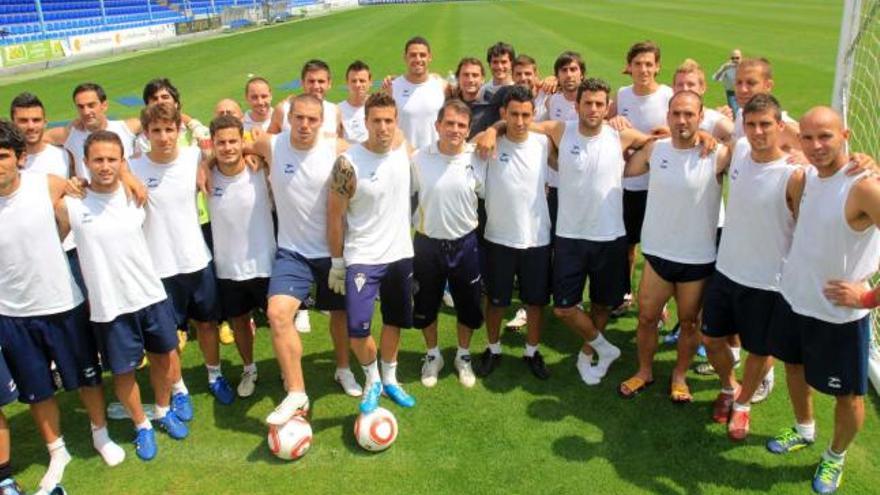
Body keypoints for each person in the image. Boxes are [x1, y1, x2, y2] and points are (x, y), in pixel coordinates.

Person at [480, 78, 656, 385]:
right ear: (577, 106)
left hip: (610, 235)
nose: (593, 109)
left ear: (608, 106)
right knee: (563, 308)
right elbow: (515, 121)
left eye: (600, 104)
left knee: (602, 303)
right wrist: (492, 129)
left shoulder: (621, 134)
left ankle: (588, 353)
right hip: (569, 235)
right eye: (587, 103)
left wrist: (703, 134)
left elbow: (657, 140)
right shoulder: (559, 130)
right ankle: (605, 348)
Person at [0, 120, 124, 492]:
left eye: (3, 156)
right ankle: (57, 450)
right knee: (37, 390)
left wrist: (129, 179)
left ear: (20, 158)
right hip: (12, 314)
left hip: (63, 304)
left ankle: (100, 433)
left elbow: (89, 195)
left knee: (87, 377)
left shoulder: (47, 184)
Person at [56, 131, 187, 461]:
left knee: (163, 357)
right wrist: (65, 186)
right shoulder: (71, 204)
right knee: (124, 372)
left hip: (150, 294)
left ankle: (161, 409)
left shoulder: (135, 194)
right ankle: (141, 425)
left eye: (112, 159)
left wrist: (130, 177)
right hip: (109, 307)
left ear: (122, 162)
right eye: (97, 160)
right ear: (85, 163)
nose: (104, 166)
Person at [768, 107, 879, 494]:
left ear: (845, 135)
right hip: (795, 298)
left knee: (847, 395)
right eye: (809, 137)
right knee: (794, 368)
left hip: (839, 315)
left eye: (826, 137)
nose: (816, 146)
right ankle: (803, 428)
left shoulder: (865, 186)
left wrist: (867, 296)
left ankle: (835, 455)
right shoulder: (806, 178)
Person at [248, 94, 362, 425]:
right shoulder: (270, 144)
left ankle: (343, 370)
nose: (305, 125)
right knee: (277, 313)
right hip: (292, 252)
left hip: (332, 251)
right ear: (288, 117)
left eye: (313, 119)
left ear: (322, 122)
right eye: (299, 118)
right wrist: (213, 164)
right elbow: (235, 149)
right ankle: (297, 392)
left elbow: (384, 148)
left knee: (339, 315)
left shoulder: (337, 149)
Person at [701, 94, 800, 436]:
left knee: (759, 349)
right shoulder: (739, 150)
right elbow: (716, 135)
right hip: (726, 270)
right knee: (711, 339)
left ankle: (742, 404)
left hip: (767, 282)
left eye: (766, 125)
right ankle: (729, 387)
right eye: (752, 124)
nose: (758, 132)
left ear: (780, 126)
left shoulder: (794, 174)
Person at [617, 91, 723, 401]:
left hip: (697, 258)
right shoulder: (655, 150)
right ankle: (644, 371)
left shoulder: (717, 154)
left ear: (701, 116)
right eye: (676, 113)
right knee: (646, 318)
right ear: (667, 116)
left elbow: (762, 151)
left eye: (689, 114)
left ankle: (679, 375)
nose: (682, 120)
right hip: (657, 255)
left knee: (689, 322)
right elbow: (623, 166)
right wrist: (638, 137)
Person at [128, 103, 230, 411]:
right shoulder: (132, 168)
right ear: (146, 134)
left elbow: (225, 152)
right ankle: (179, 388)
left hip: (197, 259)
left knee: (208, 324)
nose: (163, 136)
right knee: (170, 336)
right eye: (156, 131)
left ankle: (215, 376)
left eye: (169, 129)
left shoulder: (193, 158)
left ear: (178, 131)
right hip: (158, 269)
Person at [327, 92, 417, 413]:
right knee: (357, 332)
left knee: (394, 321)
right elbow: (335, 217)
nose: (382, 127)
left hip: (400, 255)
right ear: (364, 122)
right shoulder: (347, 164)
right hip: (362, 258)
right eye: (376, 121)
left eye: (388, 121)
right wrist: (338, 263)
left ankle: (390, 378)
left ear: (396, 122)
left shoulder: (401, 150)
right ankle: (372, 377)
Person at [472, 86, 552, 380]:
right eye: (514, 115)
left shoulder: (544, 143)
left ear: (533, 115)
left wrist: (495, 127)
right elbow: (466, 153)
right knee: (496, 300)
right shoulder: (488, 144)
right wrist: (492, 130)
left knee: (534, 301)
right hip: (498, 236)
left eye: (526, 115)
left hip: (537, 237)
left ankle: (532, 351)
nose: (520, 121)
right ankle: (493, 348)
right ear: (503, 113)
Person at [412, 99, 486, 389]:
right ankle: (433, 356)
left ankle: (463, 356)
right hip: (427, 244)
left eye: (461, 125)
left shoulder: (477, 158)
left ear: (468, 130)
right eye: (449, 123)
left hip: (465, 244)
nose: (455, 130)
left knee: (467, 306)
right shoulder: (419, 158)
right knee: (426, 305)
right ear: (438, 126)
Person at [206, 115, 276, 399]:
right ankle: (249, 368)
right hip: (228, 267)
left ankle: (286, 367)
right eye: (221, 143)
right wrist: (205, 163)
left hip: (265, 262)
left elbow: (270, 143)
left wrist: (252, 150)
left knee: (278, 322)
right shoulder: (206, 176)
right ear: (213, 145)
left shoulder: (259, 168)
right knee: (239, 323)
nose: (227, 147)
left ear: (242, 140)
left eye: (233, 141)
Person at [608, 41, 674, 315]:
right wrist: (612, 122)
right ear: (629, 67)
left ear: (657, 66)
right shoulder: (622, 95)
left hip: (661, 185)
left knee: (658, 246)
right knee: (627, 244)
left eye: (649, 64)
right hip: (629, 184)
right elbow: (604, 125)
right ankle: (626, 294)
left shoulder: (668, 95)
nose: (644, 69)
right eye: (638, 64)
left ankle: (659, 304)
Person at [43, 83, 139, 181]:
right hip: (88, 194)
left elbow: (153, 118)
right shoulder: (70, 134)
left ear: (104, 105)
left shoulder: (126, 128)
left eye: (91, 105)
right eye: (81, 107)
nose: (86, 112)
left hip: (125, 193)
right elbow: (37, 139)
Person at [389, 36, 448, 149]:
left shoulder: (442, 85)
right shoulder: (393, 87)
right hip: (405, 157)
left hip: (435, 156)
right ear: (405, 57)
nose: (418, 59)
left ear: (430, 57)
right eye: (413, 55)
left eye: (422, 55)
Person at [269, 59, 343, 143]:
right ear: (302, 83)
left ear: (329, 84)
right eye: (311, 81)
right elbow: (268, 144)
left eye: (321, 81)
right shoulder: (283, 110)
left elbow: (339, 144)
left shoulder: (335, 111)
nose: (316, 86)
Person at [10, 93, 74, 178]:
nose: (31, 126)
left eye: (36, 120)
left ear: (45, 123)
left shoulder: (64, 155)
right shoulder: (5, 160)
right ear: (12, 124)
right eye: (23, 121)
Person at [339, 61, 371, 144]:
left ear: (370, 82)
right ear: (347, 83)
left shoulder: (379, 106)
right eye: (354, 81)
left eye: (362, 81)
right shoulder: (338, 110)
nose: (358, 85)